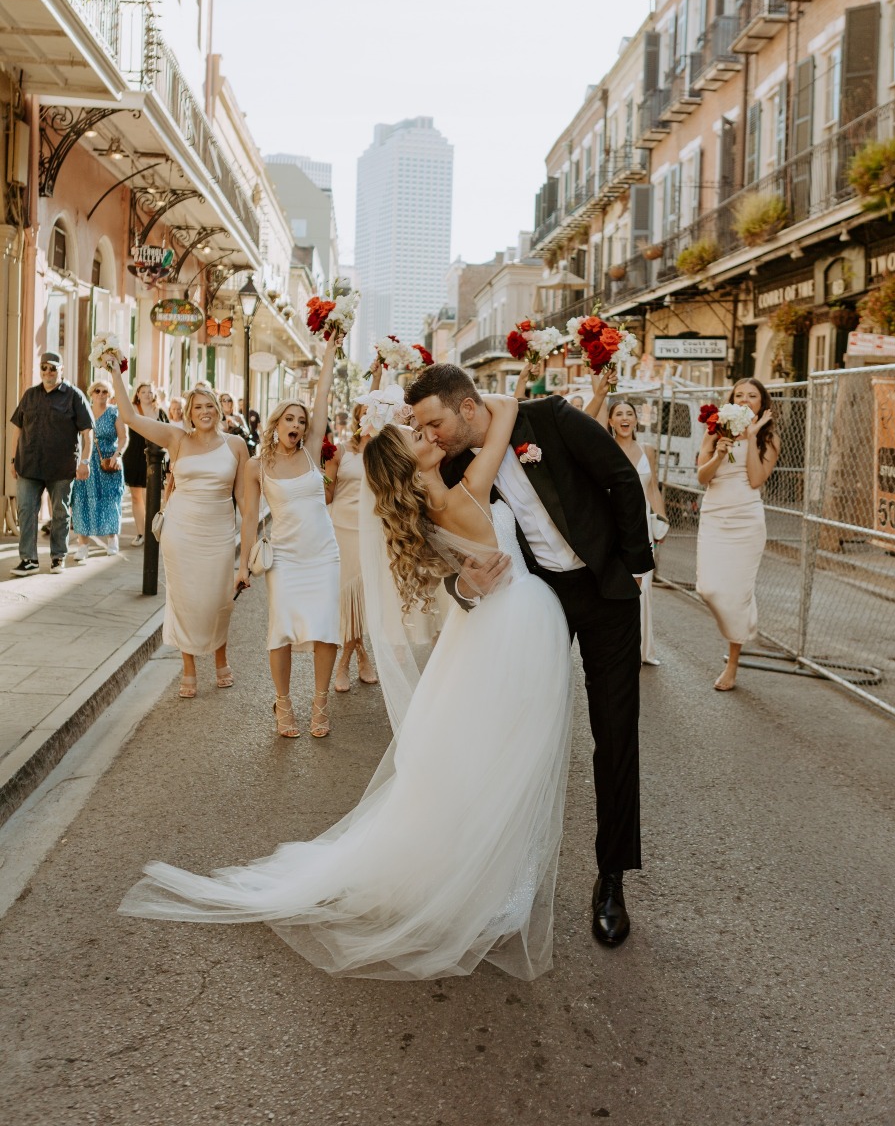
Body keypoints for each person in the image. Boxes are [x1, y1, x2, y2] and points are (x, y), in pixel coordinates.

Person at [120, 392, 576, 982]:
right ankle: (492, 887)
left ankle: (488, 880)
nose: (431, 437)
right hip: (516, 626)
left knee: (487, 759)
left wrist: (424, 417)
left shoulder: (436, 508)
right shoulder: (463, 493)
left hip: (494, 627)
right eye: (421, 437)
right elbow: (506, 407)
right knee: (509, 759)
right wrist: (454, 401)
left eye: (427, 431)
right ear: (413, 466)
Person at [406, 364, 653, 947]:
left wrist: (634, 567)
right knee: (518, 737)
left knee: (615, 733)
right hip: (538, 604)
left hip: (606, 594)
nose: (432, 435)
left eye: (435, 421)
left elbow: (621, 478)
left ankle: (612, 878)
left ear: (468, 408)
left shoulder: (554, 421)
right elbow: (444, 558)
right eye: (422, 427)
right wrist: (466, 586)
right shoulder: (454, 469)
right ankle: (503, 873)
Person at [105, 360, 248, 697]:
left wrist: (253, 544)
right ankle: (188, 666)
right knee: (183, 598)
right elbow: (130, 418)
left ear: (218, 408)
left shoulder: (235, 445)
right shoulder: (176, 438)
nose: (204, 411)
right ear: (189, 412)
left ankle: (220, 656)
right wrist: (115, 374)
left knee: (218, 599)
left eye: (209, 405)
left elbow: (243, 497)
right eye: (197, 407)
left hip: (219, 532)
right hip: (181, 531)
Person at [234, 336, 340, 738]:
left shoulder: (313, 450)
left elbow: (323, 394)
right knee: (280, 629)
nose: (297, 425)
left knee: (325, 627)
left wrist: (331, 348)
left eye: (301, 420)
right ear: (275, 424)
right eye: (290, 419)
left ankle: (319, 702)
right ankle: (283, 704)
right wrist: (242, 566)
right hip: (286, 557)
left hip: (323, 553)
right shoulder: (257, 467)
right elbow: (248, 521)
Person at [696, 378, 779, 692]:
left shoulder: (768, 438)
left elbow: (757, 480)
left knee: (738, 593)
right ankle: (745, 618)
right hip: (715, 516)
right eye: (739, 395)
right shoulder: (715, 429)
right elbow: (703, 477)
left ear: (761, 403)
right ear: (730, 401)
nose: (745, 400)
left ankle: (732, 664)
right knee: (708, 589)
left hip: (747, 519)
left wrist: (754, 435)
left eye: (752, 396)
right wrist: (719, 453)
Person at [9, 351, 93, 576]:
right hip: (28, 464)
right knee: (26, 511)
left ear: (61, 370)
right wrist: (13, 459)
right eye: (44, 367)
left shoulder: (74, 395)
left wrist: (85, 461)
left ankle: (58, 556)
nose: (48, 372)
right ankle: (28, 560)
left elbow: (87, 433)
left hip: (61, 467)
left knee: (60, 513)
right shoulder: (30, 395)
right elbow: (18, 427)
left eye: (53, 368)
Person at [324, 393, 379, 693]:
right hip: (340, 531)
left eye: (376, 414)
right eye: (365, 413)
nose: (370, 418)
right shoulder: (340, 452)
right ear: (358, 418)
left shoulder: (383, 453)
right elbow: (327, 495)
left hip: (371, 532)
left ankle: (347, 659)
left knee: (363, 598)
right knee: (347, 599)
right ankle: (357, 656)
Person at [607, 401, 667, 666]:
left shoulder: (648, 450)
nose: (624, 418)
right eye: (618, 414)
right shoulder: (605, 449)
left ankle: (642, 648)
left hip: (642, 527)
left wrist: (662, 520)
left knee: (645, 588)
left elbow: (653, 488)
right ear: (610, 421)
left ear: (635, 420)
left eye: (629, 414)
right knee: (617, 584)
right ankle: (617, 645)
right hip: (612, 525)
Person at [71, 376, 128, 561]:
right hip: (87, 461)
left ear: (110, 395)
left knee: (110, 500)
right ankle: (83, 545)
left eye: (105, 391)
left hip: (108, 461)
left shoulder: (114, 413)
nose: (101, 394)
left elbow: (123, 438)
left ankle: (112, 539)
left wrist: (117, 455)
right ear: (91, 394)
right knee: (82, 501)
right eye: (98, 391)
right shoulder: (83, 411)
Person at [122, 382, 168, 547]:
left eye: (150, 392)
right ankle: (140, 533)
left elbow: (168, 433)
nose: (147, 394)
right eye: (143, 392)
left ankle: (152, 532)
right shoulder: (132, 410)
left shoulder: (160, 412)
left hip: (154, 458)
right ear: (138, 394)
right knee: (136, 497)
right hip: (134, 456)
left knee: (151, 498)